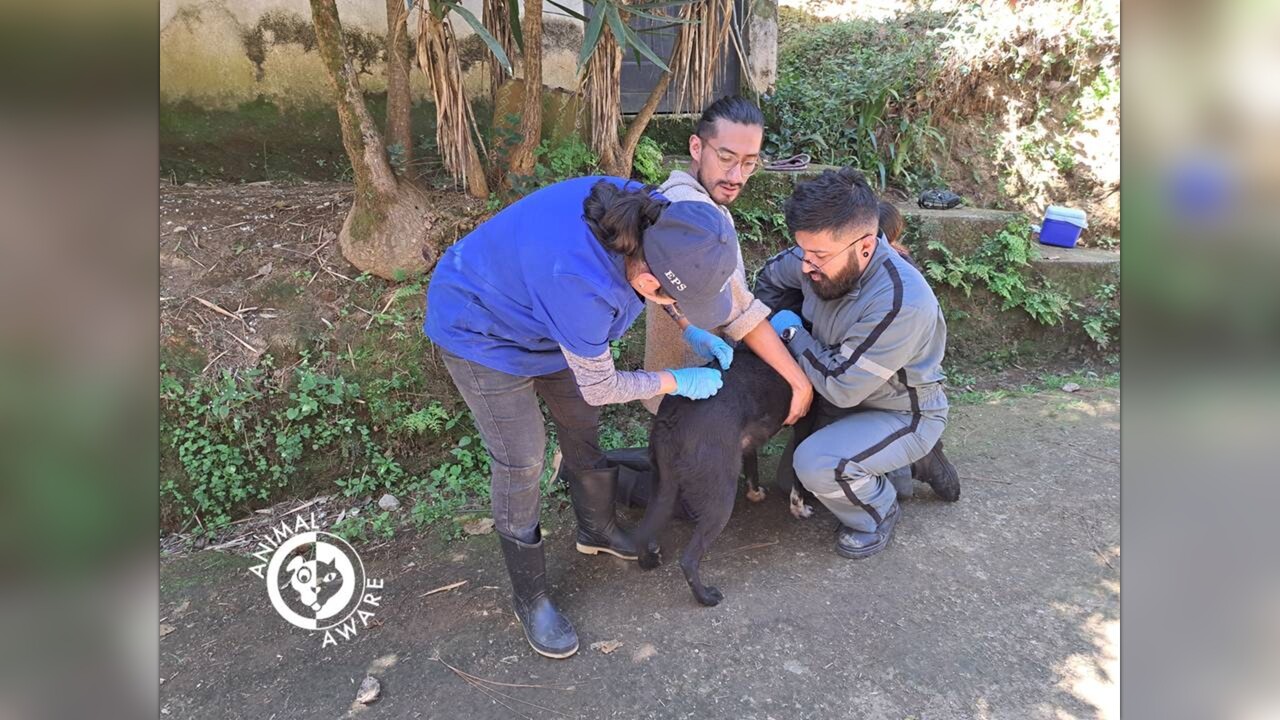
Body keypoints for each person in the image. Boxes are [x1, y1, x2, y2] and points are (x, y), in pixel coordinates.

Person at [423, 175, 745, 659]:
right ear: (648, 282)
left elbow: (664, 283)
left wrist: (686, 326)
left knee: (580, 423)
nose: (679, 306)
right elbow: (601, 385)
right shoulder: (577, 280)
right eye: (674, 299)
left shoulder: (659, 215)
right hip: (482, 328)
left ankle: (597, 530)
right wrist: (677, 380)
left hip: (550, 319)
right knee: (523, 458)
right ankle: (530, 598)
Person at [602, 96, 814, 510]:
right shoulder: (695, 211)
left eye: (749, 163)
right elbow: (740, 312)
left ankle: (596, 467)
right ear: (697, 147)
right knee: (687, 502)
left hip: (693, 375)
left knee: (676, 468)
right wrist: (798, 381)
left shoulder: (682, 196)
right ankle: (589, 476)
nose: (737, 175)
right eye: (727, 158)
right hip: (690, 378)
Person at [754, 168, 958, 560]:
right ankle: (900, 462)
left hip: (898, 411)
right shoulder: (817, 253)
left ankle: (879, 510)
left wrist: (791, 332)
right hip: (840, 393)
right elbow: (771, 279)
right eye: (803, 251)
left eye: (819, 256)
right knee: (786, 482)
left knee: (817, 466)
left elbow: (841, 386)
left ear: (865, 246)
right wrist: (771, 319)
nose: (806, 265)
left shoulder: (901, 301)